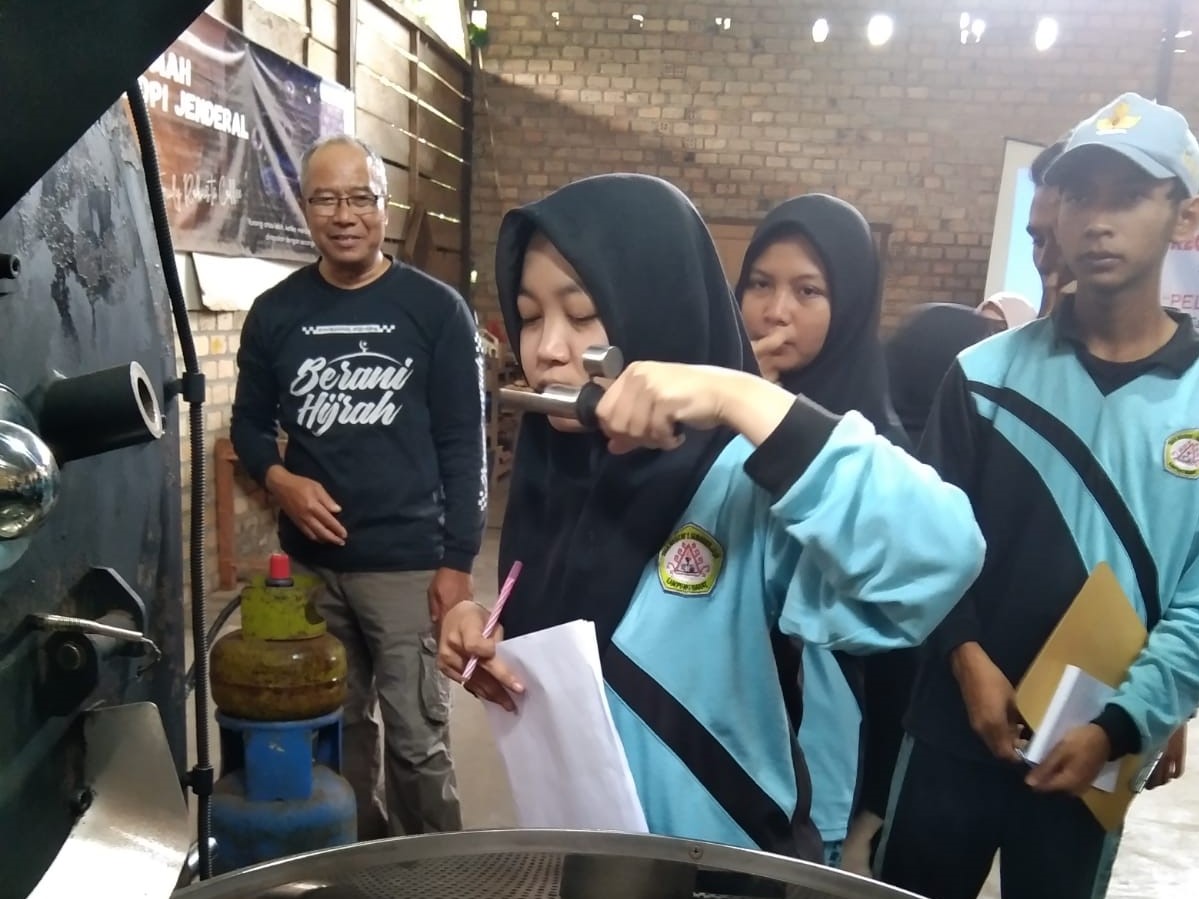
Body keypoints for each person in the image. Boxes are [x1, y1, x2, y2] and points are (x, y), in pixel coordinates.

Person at [437, 172, 986, 860]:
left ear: (655, 307)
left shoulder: (741, 482)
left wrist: (740, 396)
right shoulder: (556, 473)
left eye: (581, 315)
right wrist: (483, 631)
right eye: (528, 314)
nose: (546, 349)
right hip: (585, 855)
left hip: (725, 869)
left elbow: (938, 558)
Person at [876, 92, 1199, 899]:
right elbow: (923, 544)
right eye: (1080, 194)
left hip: (1093, 747)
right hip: (956, 723)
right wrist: (965, 657)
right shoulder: (981, 377)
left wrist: (1127, 721)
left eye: (1127, 195)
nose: (1096, 220)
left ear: (1182, 217)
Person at [230, 134, 487, 839]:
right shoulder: (276, 312)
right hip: (311, 573)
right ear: (305, 208)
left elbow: (464, 445)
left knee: (417, 741)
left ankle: (437, 877)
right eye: (326, 199)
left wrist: (457, 563)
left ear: (384, 205)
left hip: (408, 567)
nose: (344, 215)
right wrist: (279, 480)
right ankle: (362, 866)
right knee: (336, 737)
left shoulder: (434, 312)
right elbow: (248, 424)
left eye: (359, 198)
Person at [732, 193, 912, 870]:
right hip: (710, 739)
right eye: (759, 284)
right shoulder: (697, 413)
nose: (775, 310)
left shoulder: (877, 454)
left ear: (852, 304)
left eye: (807, 290)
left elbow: (897, 656)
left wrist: (874, 803)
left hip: (820, 763)